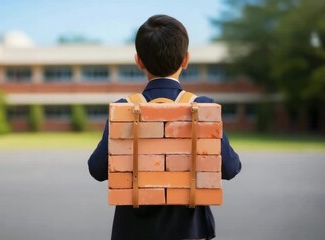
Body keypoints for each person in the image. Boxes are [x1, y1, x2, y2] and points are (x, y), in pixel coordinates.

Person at [88, 14, 241, 240]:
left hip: (133, 232)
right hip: (190, 232)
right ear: (186, 59)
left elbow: (97, 168)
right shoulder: (202, 107)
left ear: (138, 60)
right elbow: (230, 167)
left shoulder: (124, 109)